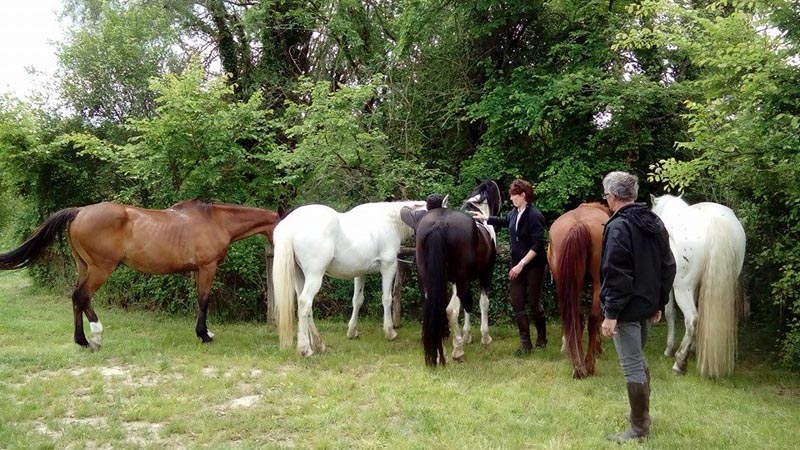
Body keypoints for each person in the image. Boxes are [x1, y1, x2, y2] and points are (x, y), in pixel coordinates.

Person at [599, 171, 676, 442]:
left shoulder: (619, 226)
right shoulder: (653, 221)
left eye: (606, 194)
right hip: (645, 306)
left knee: (631, 364)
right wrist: (659, 302)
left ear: (615, 196)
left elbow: (616, 273)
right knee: (639, 360)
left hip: (628, 310)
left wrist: (610, 314)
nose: (605, 198)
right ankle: (639, 415)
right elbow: (668, 266)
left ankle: (639, 428)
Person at [471, 179, 547, 355]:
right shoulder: (514, 212)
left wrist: (521, 264)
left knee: (534, 304)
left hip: (534, 265)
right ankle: (525, 344)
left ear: (524, 195)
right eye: (511, 195)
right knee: (517, 302)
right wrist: (485, 218)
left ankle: (542, 338)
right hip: (516, 265)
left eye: (514, 195)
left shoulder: (535, 215)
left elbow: (537, 245)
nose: (511, 198)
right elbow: (505, 221)